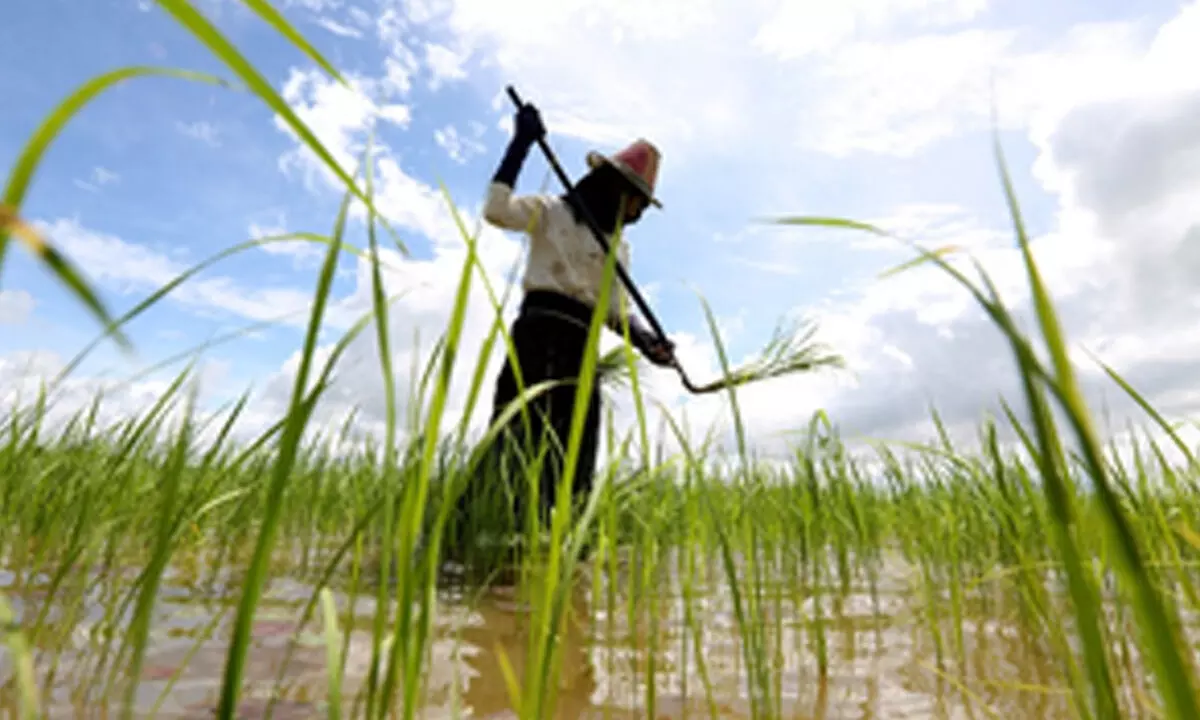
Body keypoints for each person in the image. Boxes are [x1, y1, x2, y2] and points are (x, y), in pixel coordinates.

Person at [461, 100, 676, 551]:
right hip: (537, 337)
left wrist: (648, 342)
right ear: (616, 189)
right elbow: (496, 211)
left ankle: (547, 552)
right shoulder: (550, 211)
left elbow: (614, 311)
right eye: (636, 202)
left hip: (582, 350)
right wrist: (519, 143)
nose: (636, 214)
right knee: (515, 439)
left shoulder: (619, 249)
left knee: (573, 456)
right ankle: (476, 541)